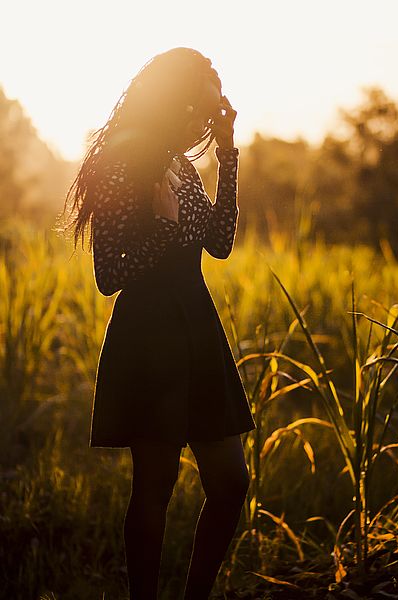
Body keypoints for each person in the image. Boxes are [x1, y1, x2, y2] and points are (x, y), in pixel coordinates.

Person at [59, 47, 257, 599]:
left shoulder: (184, 166)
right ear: (179, 101)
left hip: (196, 324)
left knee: (231, 480)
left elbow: (218, 244)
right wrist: (165, 232)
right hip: (149, 334)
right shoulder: (124, 163)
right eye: (202, 110)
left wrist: (228, 154)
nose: (204, 122)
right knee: (155, 486)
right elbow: (109, 273)